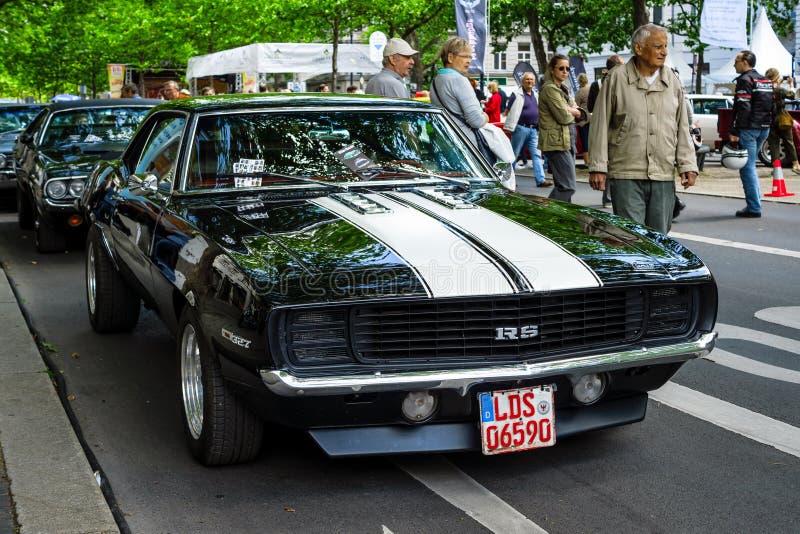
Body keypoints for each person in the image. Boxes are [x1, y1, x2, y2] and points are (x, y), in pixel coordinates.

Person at [589, 24, 697, 233]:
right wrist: (598, 166)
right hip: (626, 172)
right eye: (658, 46)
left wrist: (688, 163)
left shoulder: (672, 81)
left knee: (659, 239)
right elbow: (600, 124)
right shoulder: (616, 78)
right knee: (631, 237)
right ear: (639, 48)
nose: (664, 52)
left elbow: (682, 126)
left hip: (663, 173)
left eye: (665, 46)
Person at [729, 50, 774, 218]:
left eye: (736, 61)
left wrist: (734, 130)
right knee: (752, 167)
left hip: (749, 128)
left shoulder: (745, 80)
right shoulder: (765, 80)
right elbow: (773, 104)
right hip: (764, 127)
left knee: (747, 168)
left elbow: (743, 107)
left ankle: (754, 207)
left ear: (745, 63)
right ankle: (756, 202)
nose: (734, 64)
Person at [429, 37, 489, 152]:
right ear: (450, 57)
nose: (469, 60)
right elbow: (476, 121)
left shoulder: (436, 80)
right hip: (463, 144)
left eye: (470, 57)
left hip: (442, 140)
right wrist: (486, 117)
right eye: (465, 56)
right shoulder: (459, 80)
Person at [538, 54, 583, 202]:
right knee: (568, 187)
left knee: (562, 185)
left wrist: (571, 109)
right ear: (552, 70)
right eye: (561, 68)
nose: (565, 71)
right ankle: (545, 214)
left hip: (567, 140)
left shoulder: (563, 88)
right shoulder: (549, 89)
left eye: (568, 69)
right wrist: (573, 111)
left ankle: (561, 219)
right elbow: (563, 117)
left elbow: (576, 109)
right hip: (556, 142)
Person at [504, 71, 552, 186]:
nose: (530, 81)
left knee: (536, 155)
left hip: (534, 130)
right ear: (522, 82)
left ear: (534, 82)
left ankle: (540, 180)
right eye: (527, 79)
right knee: (514, 155)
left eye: (531, 79)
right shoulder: (516, 94)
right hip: (520, 128)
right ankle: (508, 181)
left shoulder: (536, 95)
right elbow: (507, 111)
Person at [588, 54, 624, 207]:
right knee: (613, 163)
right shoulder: (621, 81)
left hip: (602, 127)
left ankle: (608, 197)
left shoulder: (596, 84)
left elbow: (590, 107)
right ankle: (610, 197)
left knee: (607, 163)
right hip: (615, 128)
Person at [764, 68, 800, 174]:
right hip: (782, 118)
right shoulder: (779, 90)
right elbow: (792, 95)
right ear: (777, 77)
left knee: (773, 143)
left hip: (770, 119)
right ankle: (796, 165)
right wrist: (791, 84)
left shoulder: (765, 89)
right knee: (789, 141)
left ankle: (776, 168)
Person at [574, 73, 590, 165]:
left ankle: (587, 162)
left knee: (585, 141)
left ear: (579, 82)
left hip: (583, 120)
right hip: (594, 118)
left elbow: (576, 106)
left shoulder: (579, 92)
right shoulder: (593, 89)